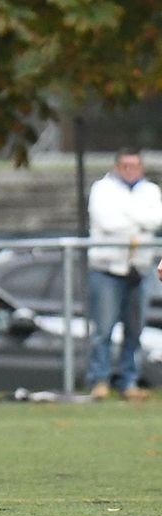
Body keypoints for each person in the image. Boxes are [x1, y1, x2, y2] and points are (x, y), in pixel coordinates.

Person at [89, 149, 162, 401]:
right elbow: (107, 222)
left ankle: (128, 380)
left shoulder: (150, 190)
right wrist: (139, 221)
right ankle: (100, 379)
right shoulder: (103, 189)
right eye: (125, 165)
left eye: (135, 165)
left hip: (139, 268)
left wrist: (129, 216)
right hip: (107, 268)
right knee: (104, 329)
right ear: (117, 167)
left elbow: (156, 219)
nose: (130, 170)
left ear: (141, 167)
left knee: (135, 329)